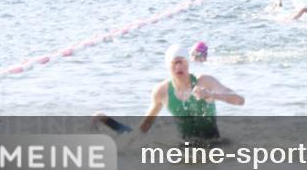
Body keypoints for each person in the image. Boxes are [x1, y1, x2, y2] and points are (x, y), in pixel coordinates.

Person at [94, 44, 244, 141]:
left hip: (215, 145)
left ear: (188, 63)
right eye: (174, 62)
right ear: (168, 66)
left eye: (182, 62)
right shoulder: (161, 92)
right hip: (185, 148)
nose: (179, 67)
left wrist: (213, 96)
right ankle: (103, 119)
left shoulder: (204, 82)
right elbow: (142, 130)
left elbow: (239, 100)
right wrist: (112, 125)